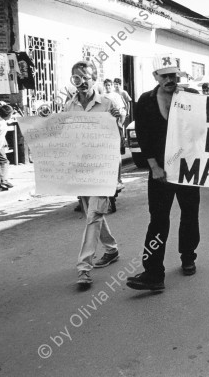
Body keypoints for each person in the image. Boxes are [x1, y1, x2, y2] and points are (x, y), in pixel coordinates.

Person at [126, 54, 201, 291]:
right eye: (165, 75)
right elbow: (143, 134)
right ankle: (153, 273)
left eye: (173, 75)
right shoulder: (146, 101)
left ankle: (188, 256)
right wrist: (154, 166)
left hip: (188, 168)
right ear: (155, 76)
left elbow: (206, 128)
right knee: (158, 220)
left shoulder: (191, 97)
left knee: (190, 214)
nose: (170, 79)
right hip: (160, 171)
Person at [65, 61, 122, 286]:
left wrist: (119, 119)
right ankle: (112, 249)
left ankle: (84, 266)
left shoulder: (107, 104)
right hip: (81, 169)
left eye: (84, 76)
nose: (80, 80)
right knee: (93, 213)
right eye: (75, 76)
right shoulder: (70, 106)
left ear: (93, 78)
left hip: (102, 168)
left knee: (93, 216)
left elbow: (117, 137)